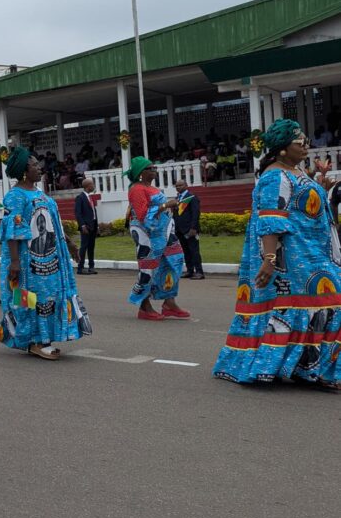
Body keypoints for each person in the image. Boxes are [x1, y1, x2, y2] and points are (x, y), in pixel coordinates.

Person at [213, 119, 341, 387]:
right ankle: (317, 370)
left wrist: (321, 186)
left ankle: (308, 368)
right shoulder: (274, 176)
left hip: (313, 253)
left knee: (320, 307)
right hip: (294, 260)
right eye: (300, 142)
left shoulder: (294, 172)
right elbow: (271, 220)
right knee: (327, 302)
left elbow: (301, 207)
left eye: (306, 140)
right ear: (282, 149)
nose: (306, 145)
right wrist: (270, 260)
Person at [0, 148, 92, 360]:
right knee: (27, 299)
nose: (40, 168)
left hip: (51, 260)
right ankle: (35, 341)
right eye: (34, 165)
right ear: (23, 170)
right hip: (27, 262)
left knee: (50, 297)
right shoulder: (14, 196)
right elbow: (12, 230)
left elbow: (52, 224)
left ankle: (44, 337)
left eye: (39, 164)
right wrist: (14, 262)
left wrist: (69, 243)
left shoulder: (40, 194)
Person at [125, 157, 189, 320]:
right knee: (148, 268)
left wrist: (170, 207)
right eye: (151, 167)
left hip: (164, 232)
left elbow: (157, 209)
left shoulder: (151, 188)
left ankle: (169, 302)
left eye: (154, 167)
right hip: (147, 234)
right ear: (141, 172)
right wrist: (165, 205)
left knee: (175, 261)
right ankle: (144, 307)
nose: (154, 169)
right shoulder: (137, 189)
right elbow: (142, 215)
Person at [173, 179, 204, 280]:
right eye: (176, 186)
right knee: (185, 251)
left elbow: (196, 214)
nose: (178, 187)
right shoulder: (177, 198)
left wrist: (193, 228)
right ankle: (190, 271)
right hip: (180, 230)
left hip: (190, 229)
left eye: (180, 185)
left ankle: (199, 272)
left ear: (186, 185)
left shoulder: (192, 197)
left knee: (194, 251)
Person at [74, 178, 99, 275]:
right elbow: (78, 213)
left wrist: (97, 226)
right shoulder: (80, 198)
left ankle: (91, 267)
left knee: (91, 247)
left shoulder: (90, 197)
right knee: (84, 247)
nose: (94, 186)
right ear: (88, 186)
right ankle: (80, 268)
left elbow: (93, 212)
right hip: (86, 227)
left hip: (93, 225)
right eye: (92, 184)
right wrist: (82, 225)